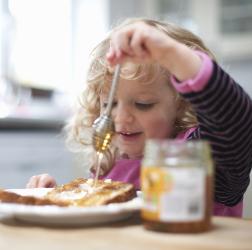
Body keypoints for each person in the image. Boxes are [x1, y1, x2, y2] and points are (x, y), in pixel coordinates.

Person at [26, 18, 252, 217]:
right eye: (110, 104)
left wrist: (173, 56)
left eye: (143, 104)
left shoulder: (197, 157)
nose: (121, 118)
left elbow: (235, 122)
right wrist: (52, 199)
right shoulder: (109, 167)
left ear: (183, 104)